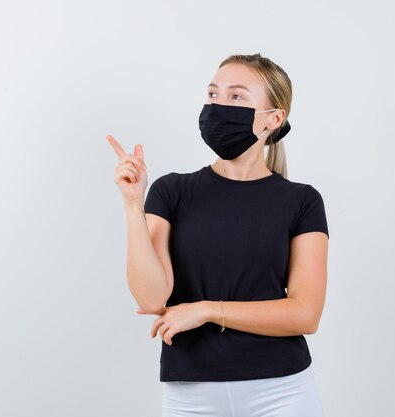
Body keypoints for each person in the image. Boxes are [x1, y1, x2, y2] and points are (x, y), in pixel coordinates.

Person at [106, 53, 329, 417]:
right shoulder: (171, 191)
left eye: (237, 96)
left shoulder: (301, 201)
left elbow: (305, 314)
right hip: (190, 393)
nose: (218, 106)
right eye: (213, 95)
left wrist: (207, 310)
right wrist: (133, 205)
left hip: (281, 390)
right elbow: (150, 297)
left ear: (273, 119)